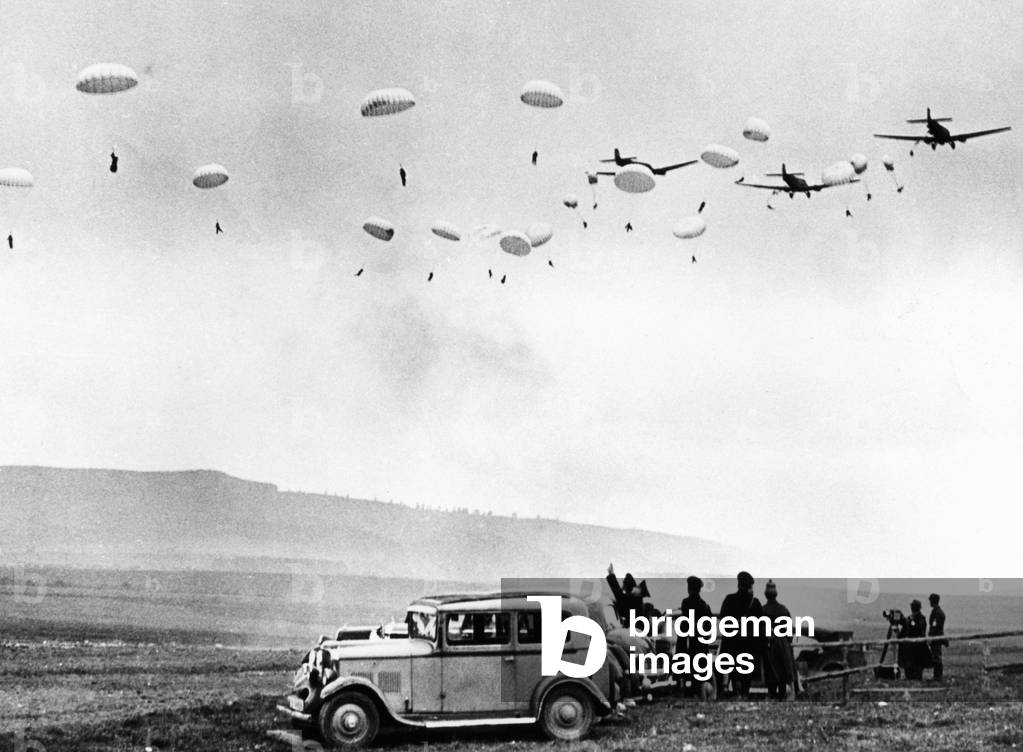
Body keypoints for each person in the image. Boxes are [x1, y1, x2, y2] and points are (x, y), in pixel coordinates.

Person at [718, 571, 764, 698]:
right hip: (749, 645)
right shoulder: (755, 603)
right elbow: (761, 625)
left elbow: (722, 620)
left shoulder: (729, 599)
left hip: (732, 643)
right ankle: (744, 693)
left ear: (739, 585)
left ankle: (737, 693)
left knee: (734, 671)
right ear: (749, 586)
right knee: (747, 673)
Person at [676, 576, 714, 697]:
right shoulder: (704, 605)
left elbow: (684, 623)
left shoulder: (685, 602)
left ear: (689, 588)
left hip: (687, 641)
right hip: (700, 643)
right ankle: (698, 691)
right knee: (698, 672)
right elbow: (708, 626)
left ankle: (682, 688)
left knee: (683, 667)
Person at [761, 580, 797, 699]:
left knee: (771, 674)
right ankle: (782, 696)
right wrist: (787, 642)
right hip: (783, 644)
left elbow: (761, 630)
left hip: (770, 645)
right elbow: (790, 631)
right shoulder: (783, 609)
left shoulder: (763, 610)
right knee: (783, 674)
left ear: (766, 594)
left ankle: (772, 696)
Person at [898, 599, 931, 680]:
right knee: (909, 667)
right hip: (910, 647)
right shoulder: (911, 618)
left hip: (917, 647)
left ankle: (915, 678)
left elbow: (917, 629)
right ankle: (910, 678)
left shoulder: (920, 619)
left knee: (917, 668)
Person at [606, 562, 645, 628]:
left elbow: (618, 593)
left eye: (624, 585)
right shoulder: (637, 598)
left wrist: (611, 575)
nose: (623, 588)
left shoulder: (631, 598)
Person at [928, 593, 947, 681]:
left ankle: (937, 676)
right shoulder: (938, 612)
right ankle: (937, 676)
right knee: (936, 657)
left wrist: (931, 638)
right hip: (937, 637)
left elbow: (934, 627)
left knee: (937, 657)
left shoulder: (937, 613)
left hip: (936, 638)